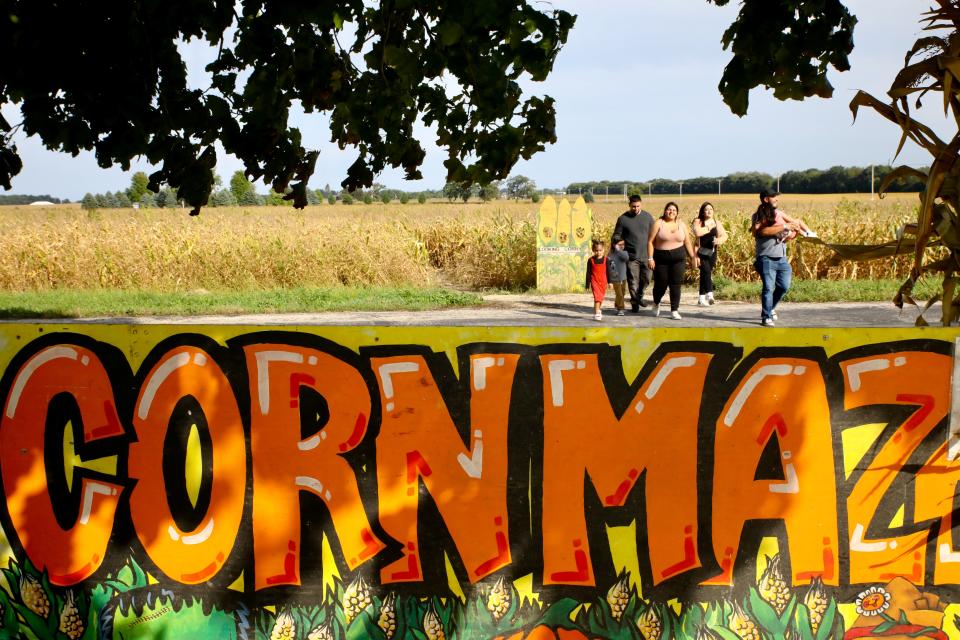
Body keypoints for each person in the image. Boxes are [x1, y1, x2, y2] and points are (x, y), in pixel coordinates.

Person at [752, 188, 801, 326]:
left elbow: (785, 238)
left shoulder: (779, 215)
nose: (777, 199)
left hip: (782, 259)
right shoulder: (758, 216)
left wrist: (795, 231)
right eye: (774, 197)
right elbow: (762, 232)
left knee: (784, 287)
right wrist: (785, 225)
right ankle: (766, 316)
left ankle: (771, 307)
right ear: (766, 199)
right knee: (768, 287)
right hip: (766, 258)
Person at [647, 202, 696, 320]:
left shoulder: (682, 225)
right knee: (661, 284)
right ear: (665, 211)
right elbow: (650, 242)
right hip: (661, 259)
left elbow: (687, 242)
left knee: (676, 285)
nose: (671, 212)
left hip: (679, 259)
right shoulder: (659, 223)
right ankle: (656, 302)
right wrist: (650, 258)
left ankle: (674, 310)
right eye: (669, 209)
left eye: (674, 210)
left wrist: (693, 257)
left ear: (677, 213)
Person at [612, 194, 655, 312]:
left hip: (647, 255)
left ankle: (638, 297)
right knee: (632, 281)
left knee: (646, 279)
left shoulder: (648, 217)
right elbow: (616, 235)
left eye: (638, 206)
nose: (636, 209)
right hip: (631, 256)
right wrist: (618, 240)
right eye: (633, 206)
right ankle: (635, 302)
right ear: (629, 205)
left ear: (641, 204)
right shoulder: (623, 219)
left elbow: (655, 234)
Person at [692, 202, 728, 306]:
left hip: (712, 252)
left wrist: (719, 240)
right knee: (707, 272)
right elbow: (697, 232)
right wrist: (708, 227)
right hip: (701, 252)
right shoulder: (698, 221)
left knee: (705, 274)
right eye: (706, 209)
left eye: (711, 209)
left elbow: (724, 235)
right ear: (702, 212)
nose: (709, 211)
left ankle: (701, 298)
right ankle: (710, 294)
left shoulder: (717, 222)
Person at [585, 238, 608, 321]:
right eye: (596, 250)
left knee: (600, 298)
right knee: (597, 297)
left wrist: (611, 282)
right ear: (593, 250)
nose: (598, 252)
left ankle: (596, 311)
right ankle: (598, 312)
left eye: (600, 250)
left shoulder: (606, 260)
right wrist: (587, 284)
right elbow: (588, 273)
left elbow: (609, 272)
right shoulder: (590, 260)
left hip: (603, 281)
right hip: (594, 281)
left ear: (603, 250)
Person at [607, 235, 629, 316]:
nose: (622, 246)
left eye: (623, 244)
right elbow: (610, 266)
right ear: (614, 245)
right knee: (619, 294)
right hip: (615, 278)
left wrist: (619, 250)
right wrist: (610, 279)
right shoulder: (610, 254)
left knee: (622, 293)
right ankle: (621, 309)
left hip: (623, 278)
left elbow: (626, 258)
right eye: (620, 245)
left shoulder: (623, 252)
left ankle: (617, 305)